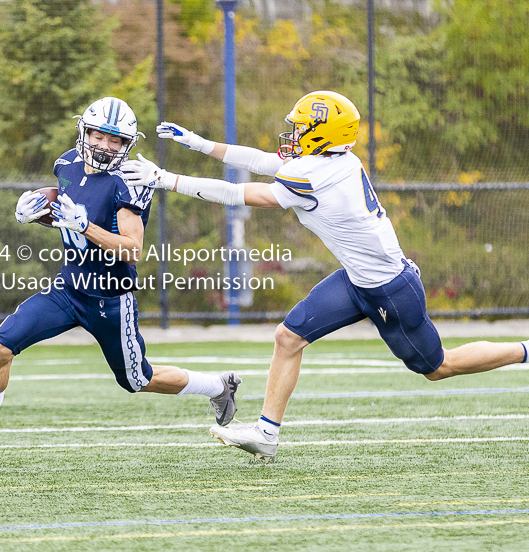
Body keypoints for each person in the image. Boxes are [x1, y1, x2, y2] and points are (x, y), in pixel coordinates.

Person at [122, 90, 529, 463]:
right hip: (357, 279)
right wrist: (200, 143)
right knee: (288, 337)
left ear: (321, 135)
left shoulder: (314, 174)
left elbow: (239, 194)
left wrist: (166, 179)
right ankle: (266, 433)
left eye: (301, 127)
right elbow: (264, 161)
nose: (294, 133)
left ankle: (525, 350)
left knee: (438, 367)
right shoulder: (336, 160)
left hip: (389, 288)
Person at [0, 97, 242, 458]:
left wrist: (85, 225)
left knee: (137, 379)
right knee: (1, 346)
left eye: (117, 141)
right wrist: (34, 211)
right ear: (85, 132)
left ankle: (218, 386)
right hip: (68, 289)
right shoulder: (67, 163)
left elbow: (132, 249)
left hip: (110, 297)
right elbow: (66, 209)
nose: (106, 147)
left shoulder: (130, 181)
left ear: (128, 145)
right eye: (100, 136)